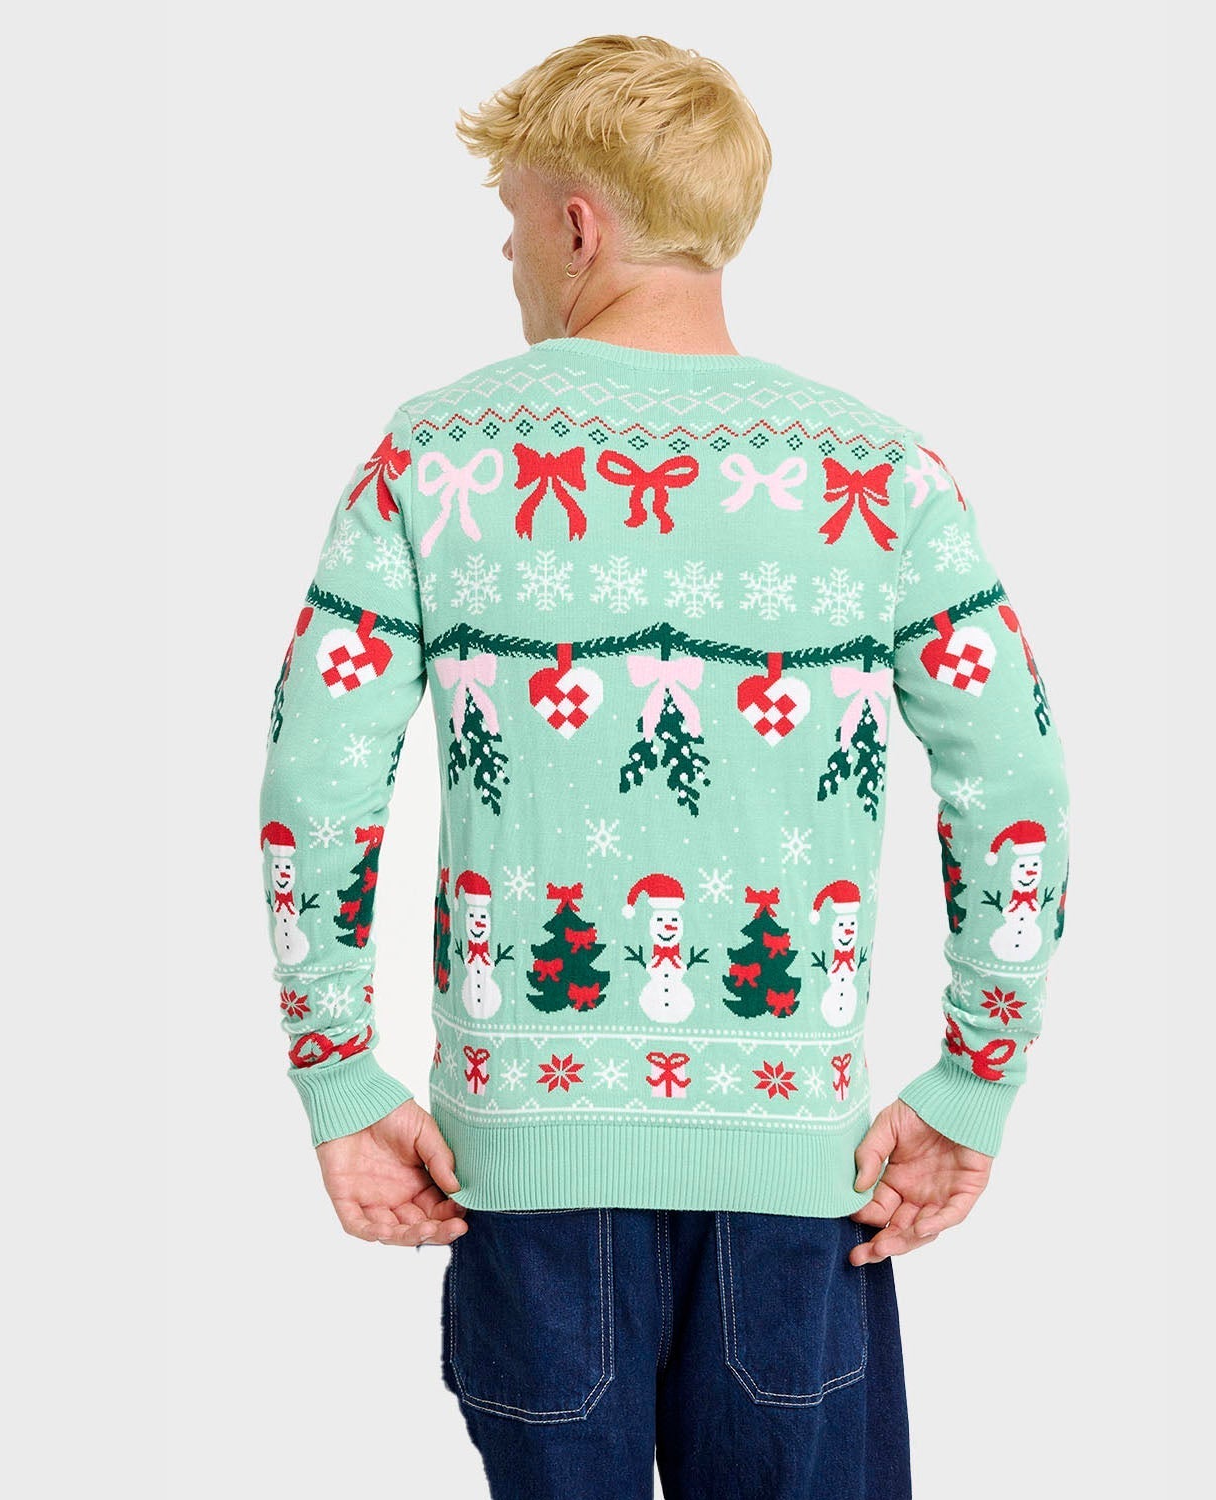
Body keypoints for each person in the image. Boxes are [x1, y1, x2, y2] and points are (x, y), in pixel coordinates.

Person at [257, 33, 1072, 1500]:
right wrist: (976, 1077)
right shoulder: (877, 472)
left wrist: (334, 1065)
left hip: (525, 1177)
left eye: (512, 220)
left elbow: (317, 785)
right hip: (797, 1176)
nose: (509, 257)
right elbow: (1014, 790)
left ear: (579, 225)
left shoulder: (435, 456)